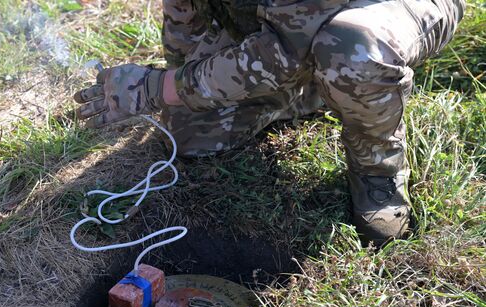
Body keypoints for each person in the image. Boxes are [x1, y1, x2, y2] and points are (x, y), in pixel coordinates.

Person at [73, 0, 465, 245]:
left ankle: (377, 169)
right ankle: (308, 90)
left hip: (379, 11)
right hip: (281, 23)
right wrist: (180, 81)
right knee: (192, 134)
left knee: (351, 51)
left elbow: (283, 51)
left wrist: (158, 87)